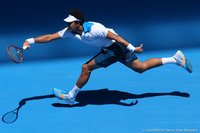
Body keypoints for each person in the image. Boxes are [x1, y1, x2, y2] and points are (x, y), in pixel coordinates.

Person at [23, 9, 193, 105]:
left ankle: (71, 97)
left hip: (114, 48)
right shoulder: (71, 31)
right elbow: (50, 37)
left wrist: (133, 48)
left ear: (79, 23)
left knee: (86, 67)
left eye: (71, 22)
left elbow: (116, 37)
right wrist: (29, 40)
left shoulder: (95, 28)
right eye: (68, 22)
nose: (68, 25)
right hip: (113, 48)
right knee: (140, 68)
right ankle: (175, 59)